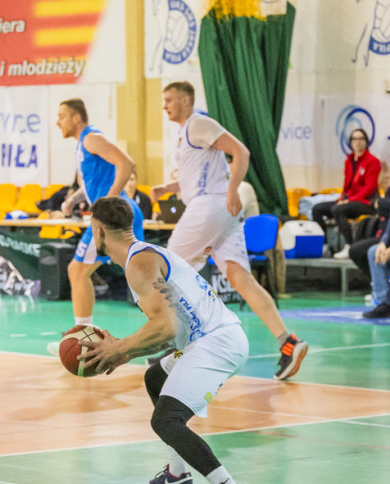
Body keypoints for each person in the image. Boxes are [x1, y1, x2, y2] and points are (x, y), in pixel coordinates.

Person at [81, 197, 257, 484]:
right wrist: (126, 351)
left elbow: (165, 326)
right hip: (210, 339)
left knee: (165, 421)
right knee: (155, 378)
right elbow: (165, 330)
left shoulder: (139, 265)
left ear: (98, 229)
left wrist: (119, 348)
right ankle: (177, 476)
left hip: (214, 343)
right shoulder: (144, 255)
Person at [152, 81, 307, 380]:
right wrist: (168, 188)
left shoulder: (198, 123)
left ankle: (178, 346)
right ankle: (288, 342)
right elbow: (196, 177)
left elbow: (241, 152)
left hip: (210, 206)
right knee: (240, 279)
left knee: (165, 269)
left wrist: (233, 189)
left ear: (186, 100)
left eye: (169, 99)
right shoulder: (186, 134)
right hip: (218, 210)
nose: (165, 105)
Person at [55, 98, 145, 329]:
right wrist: (74, 198)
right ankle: (174, 333)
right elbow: (93, 183)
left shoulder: (91, 138)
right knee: (142, 277)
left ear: (76, 118)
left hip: (112, 216)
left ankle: (83, 338)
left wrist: (107, 203)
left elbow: (127, 164)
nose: (58, 122)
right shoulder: (82, 144)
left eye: (62, 116)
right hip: (122, 212)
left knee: (77, 271)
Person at [312, 129, 381, 259]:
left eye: (361, 139)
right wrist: (342, 198)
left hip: (365, 202)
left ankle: (349, 246)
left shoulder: (372, 161)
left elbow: (369, 188)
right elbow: (346, 185)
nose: (358, 142)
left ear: (366, 142)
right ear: (351, 142)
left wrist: (349, 200)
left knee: (338, 209)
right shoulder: (348, 161)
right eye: (355, 139)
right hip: (349, 200)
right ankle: (324, 245)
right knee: (318, 208)